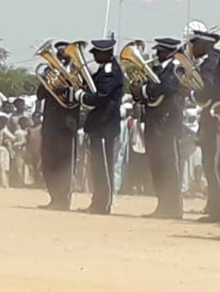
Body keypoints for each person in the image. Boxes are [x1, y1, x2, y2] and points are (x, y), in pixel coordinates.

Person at [130, 38, 184, 218]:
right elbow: (150, 91)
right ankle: (163, 204)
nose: (157, 54)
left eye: (160, 51)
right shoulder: (156, 69)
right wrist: (137, 90)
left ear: (168, 51)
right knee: (156, 165)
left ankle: (174, 207)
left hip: (168, 121)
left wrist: (145, 90)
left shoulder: (176, 67)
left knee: (169, 165)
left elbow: (168, 87)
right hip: (154, 120)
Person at [73, 39, 123, 214]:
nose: (93, 55)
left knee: (103, 167)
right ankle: (98, 202)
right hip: (98, 125)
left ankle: (103, 203)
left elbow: (100, 96)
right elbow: (91, 86)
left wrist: (81, 96)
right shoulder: (104, 70)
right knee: (97, 166)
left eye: (96, 53)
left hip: (104, 125)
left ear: (106, 53)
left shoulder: (110, 72)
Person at [36, 41, 80, 210]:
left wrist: (64, 86)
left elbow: (78, 94)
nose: (59, 55)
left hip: (67, 124)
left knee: (66, 163)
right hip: (50, 123)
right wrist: (49, 82)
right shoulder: (49, 72)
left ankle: (64, 199)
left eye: (63, 52)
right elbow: (40, 95)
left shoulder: (78, 72)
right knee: (49, 161)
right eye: (58, 52)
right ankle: (54, 197)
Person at [189, 30, 220, 222]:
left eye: (196, 44)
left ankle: (216, 209)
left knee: (212, 166)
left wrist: (191, 95)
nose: (193, 48)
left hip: (213, 119)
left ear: (205, 44)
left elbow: (209, 90)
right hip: (211, 118)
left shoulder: (210, 63)